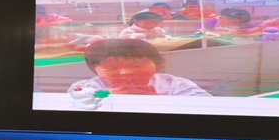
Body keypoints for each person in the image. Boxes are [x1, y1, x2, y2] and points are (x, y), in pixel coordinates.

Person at [68, 39, 211, 96]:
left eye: (137, 65)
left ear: (157, 66)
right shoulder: (85, 87)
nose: (125, 72)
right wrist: (107, 100)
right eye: (111, 67)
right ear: (94, 69)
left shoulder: (175, 84)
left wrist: (159, 102)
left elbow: (206, 107)